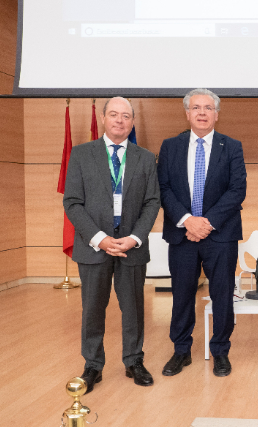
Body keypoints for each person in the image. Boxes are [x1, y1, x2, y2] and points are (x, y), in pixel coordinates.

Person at [63, 97, 161, 394]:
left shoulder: (145, 158)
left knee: (133, 308)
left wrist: (134, 238)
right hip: (94, 247)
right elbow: (73, 202)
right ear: (104, 118)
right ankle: (93, 365)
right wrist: (100, 239)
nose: (120, 120)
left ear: (132, 122)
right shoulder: (81, 155)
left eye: (126, 116)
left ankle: (134, 360)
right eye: (114, 115)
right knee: (93, 308)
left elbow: (152, 202)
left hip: (132, 245)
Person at [157, 88, 247, 378]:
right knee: (182, 295)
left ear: (217, 114)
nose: (202, 113)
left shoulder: (231, 146)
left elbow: (237, 191)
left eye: (208, 108)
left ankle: (220, 352)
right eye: (196, 107)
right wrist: (187, 220)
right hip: (181, 234)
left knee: (222, 295)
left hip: (220, 234)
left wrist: (205, 222)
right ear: (187, 113)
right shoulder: (170, 146)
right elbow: (164, 188)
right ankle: (181, 351)